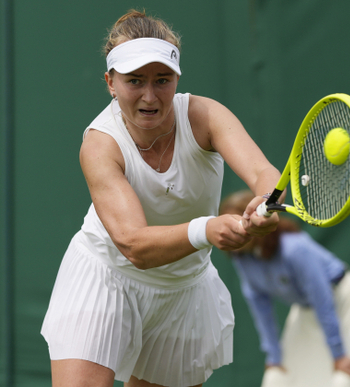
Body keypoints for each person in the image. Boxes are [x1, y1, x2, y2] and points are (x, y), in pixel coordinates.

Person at [40, 10, 282, 387]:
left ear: (177, 79)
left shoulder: (205, 116)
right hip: (107, 277)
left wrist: (268, 202)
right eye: (134, 81)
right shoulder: (101, 144)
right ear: (110, 82)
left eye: (162, 80)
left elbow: (263, 173)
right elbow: (134, 245)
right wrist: (207, 229)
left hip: (183, 293)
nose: (149, 96)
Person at [220, 190, 350, 387]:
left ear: (255, 222)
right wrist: (274, 357)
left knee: (344, 379)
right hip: (306, 309)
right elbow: (260, 305)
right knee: (281, 377)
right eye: (226, 225)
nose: (231, 231)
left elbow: (322, 298)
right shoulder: (242, 258)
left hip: (345, 301)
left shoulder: (294, 249)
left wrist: (338, 354)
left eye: (237, 223)